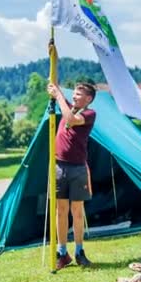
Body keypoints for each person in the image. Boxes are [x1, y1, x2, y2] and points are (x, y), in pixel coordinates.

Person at [47, 82, 96, 270]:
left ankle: (79, 251)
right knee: (60, 210)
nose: (74, 96)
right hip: (59, 166)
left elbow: (71, 118)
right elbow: (55, 92)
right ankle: (62, 252)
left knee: (77, 211)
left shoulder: (89, 114)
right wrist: (54, 89)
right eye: (73, 94)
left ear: (88, 99)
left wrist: (59, 96)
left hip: (77, 169)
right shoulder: (70, 106)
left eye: (78, 94)